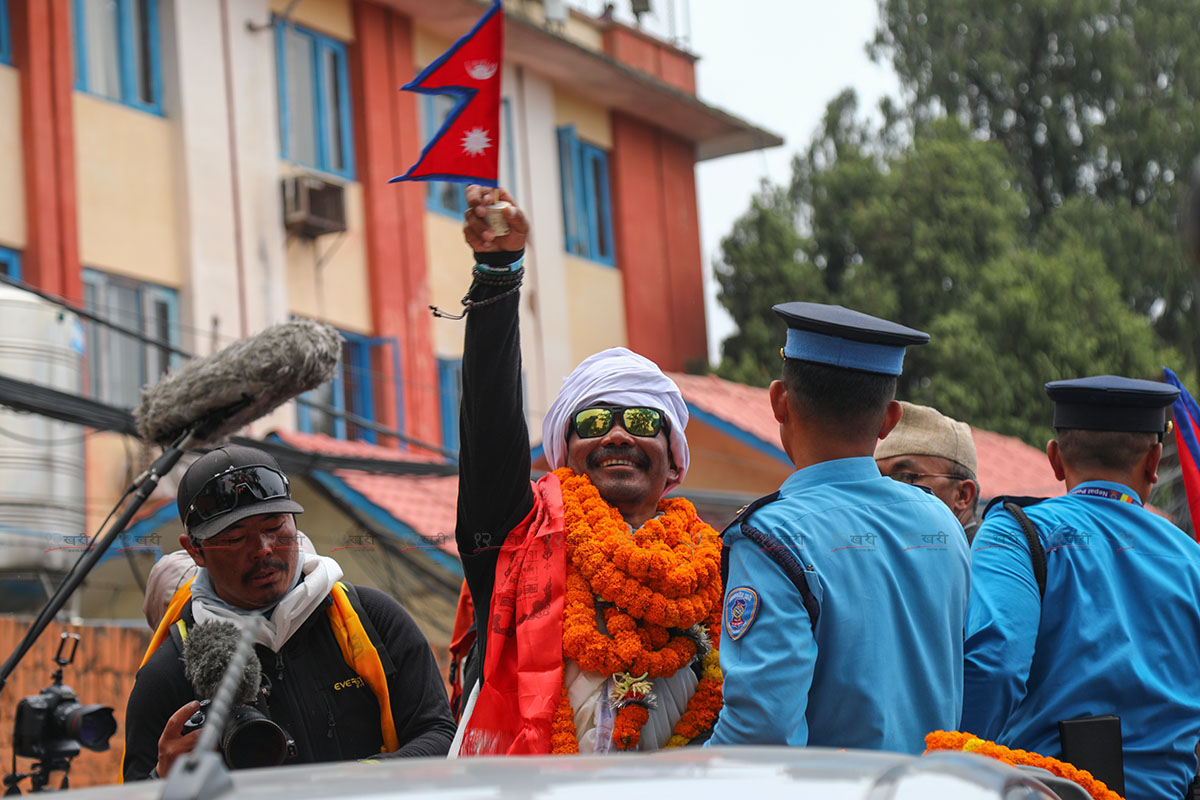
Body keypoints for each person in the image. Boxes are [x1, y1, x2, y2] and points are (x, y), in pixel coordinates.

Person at [451, 185, 724, 755]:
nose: (619, 433)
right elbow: (490, 430)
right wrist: (499, 275)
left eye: (643, 420)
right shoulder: (518, 533)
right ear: (563, 449)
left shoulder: (717, 566)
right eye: (595, 418)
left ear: (673, 455)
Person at [708, 303, 970, 753]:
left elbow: (761, 734)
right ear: (890, 420)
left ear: (778, 402)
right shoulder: (942, 521)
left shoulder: (773, 537)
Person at [121, 444, 455, 781]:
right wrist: (160, 781)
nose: (263, 549)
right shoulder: (168, 672)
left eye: (275, 525)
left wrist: (357, 781)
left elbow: (440, 734)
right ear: (195, 550)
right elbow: (133, 790)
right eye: (237, 538)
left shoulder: (373, 620)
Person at [963, 376, 1200, 800]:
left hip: (1045, 790)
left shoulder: (1017, 532)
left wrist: (954, 765)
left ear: (1055, 459)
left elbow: (994, 664)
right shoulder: (1191, 558)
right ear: (1154, 461)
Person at [875, 401, 981, 541]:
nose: (883, 490)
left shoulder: (987, 557)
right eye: (877, 477)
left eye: (905, 477)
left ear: (963, 495)